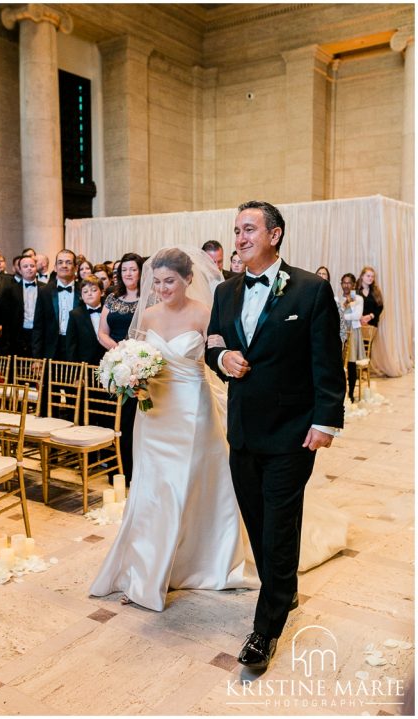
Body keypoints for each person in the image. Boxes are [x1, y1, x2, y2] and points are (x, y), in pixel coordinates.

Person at [205, 200, 345, 671]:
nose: (241, 238)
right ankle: (282, 591)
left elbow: (327, 359)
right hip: (242, 430)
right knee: (259, 521)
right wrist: (222, 360)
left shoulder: (310, 290)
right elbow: (214, 341)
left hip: (291, 432)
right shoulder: (225, 291)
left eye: (249, 229)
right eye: (237, 230)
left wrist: (325, 420)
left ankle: (264, 631)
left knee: (280, 527)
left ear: (275, 234)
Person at [90, 248, 257, 611]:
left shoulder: (204, 314)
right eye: (159, 281)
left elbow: (216, 357)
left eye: (171, 281)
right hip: (154, 412)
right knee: (153, 489)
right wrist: (129, 379)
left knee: (189, 484)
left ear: (188, 280)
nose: (163, 288)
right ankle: (145, 568)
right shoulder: (147, 315)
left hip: (193, 410)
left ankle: (198, 562)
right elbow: (136, 357)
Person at [97, 253, 143, 481]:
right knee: (116, 417)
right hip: (116, 365)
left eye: (133, 269)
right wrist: (118, 351)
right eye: (124, 270)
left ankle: (136, 470)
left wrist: (133, 354)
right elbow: (101, 332)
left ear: (141, 272)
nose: (128, 274)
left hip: (140, 366)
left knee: (134, 419)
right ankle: (118, 469)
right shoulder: (112, 298)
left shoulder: (149, 299)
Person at [34, 249, 81, 360]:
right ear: (55, 267)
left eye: (68, 262)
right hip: (51, 349)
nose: (64, 265)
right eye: (60, 262)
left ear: (76, 268)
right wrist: (37, 358)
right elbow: (38, 326)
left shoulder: (83, 291)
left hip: (77, 348)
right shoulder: (44, 291)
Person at [0, 255, 47, 357]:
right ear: (19, 270)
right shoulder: (10, 290)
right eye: (25, 266)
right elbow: (6, 318)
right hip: (18, 335)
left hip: (41, 334)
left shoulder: (45, 288)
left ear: (36, 268)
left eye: (32, 266)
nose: (29, 268)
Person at [66, 275, 105, 365]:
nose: (89, 294)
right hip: (85, 364)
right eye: (85, 292)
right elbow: (71, 345)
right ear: (82, 296)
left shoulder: (109, 312)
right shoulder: (75, 314)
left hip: (107, 362)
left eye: (94, 290)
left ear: (102, 292)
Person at [339, 272, 365, 402]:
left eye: (349, 282)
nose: (346, 285)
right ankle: (341, 393)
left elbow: (357, 316)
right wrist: (344, 308)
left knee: (351, 363)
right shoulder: (338, 299)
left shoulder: (358, 299)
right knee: (340, 363)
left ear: (353, 284)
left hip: (353, 332)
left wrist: (343, 315)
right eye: (344, 282)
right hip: (341, 332)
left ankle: (351, 394)